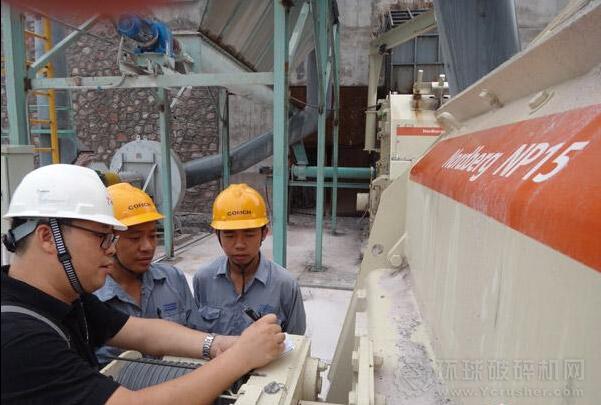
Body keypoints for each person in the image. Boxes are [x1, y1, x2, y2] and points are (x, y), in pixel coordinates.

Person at [1, 164, 284, 404]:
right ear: (48, 238)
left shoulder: (65, 299)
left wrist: (219, 344)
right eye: (102, 236)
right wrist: (240, 358)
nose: (112, 248)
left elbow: (140, 331)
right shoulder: (20, 339)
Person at [94, 182, 203, 367]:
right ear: (108, 239)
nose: (147, 247)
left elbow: (198, 339)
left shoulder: (172, 279)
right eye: (135, 238)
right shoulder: (90, 297)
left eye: (153, 235)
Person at [193, 183, 306, 336]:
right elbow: (197, 336)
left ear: (264, 233)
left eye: (249, 234)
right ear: (217, 234)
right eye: (230, 235)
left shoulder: (285, 285)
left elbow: (296, 340)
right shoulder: (203, 279)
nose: (239, 244)